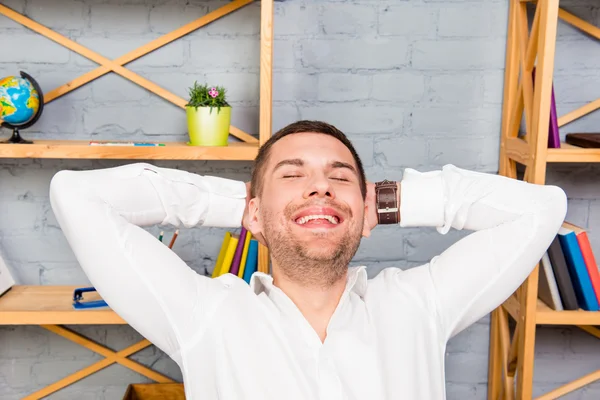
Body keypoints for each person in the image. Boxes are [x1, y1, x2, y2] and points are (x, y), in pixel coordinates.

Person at [49, 120, 567, 400]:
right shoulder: (205, 315)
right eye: (293, 174)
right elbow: (75, 196)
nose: (320, 185)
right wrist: (256, 207)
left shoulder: (418, 306)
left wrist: (374, 202)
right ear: (251, 211)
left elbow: (542, 208)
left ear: (367, 210)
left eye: (339, 177)